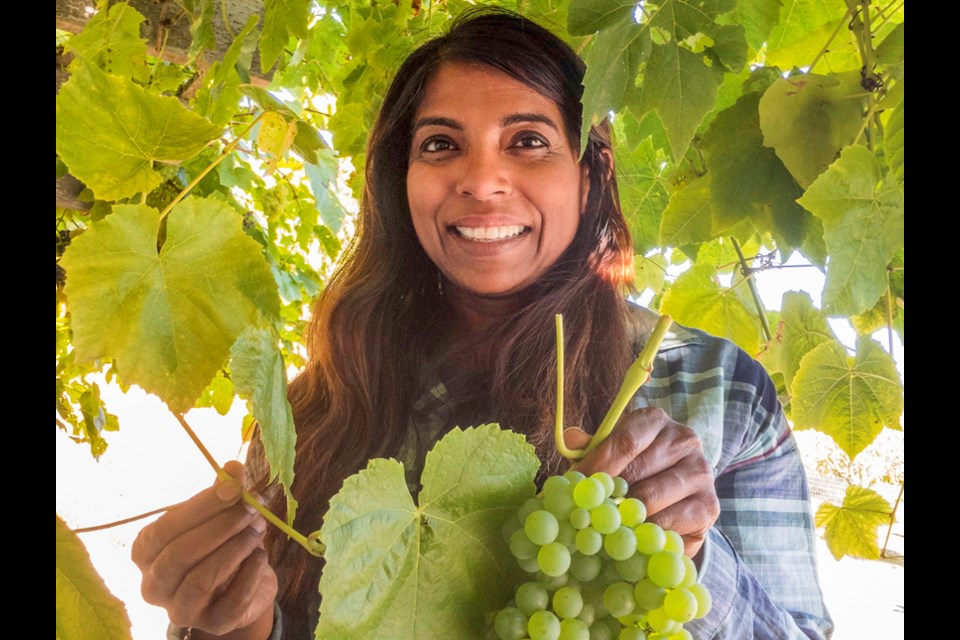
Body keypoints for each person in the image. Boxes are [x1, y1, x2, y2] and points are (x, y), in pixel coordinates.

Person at [132, 8, 834, 640]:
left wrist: (697, 563)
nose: (481, 179)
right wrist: (238, 627)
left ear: (589, 178)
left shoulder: (720, 393)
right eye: (440, 146)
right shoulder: (309, 412)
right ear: (397, 181)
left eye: (527, 140)